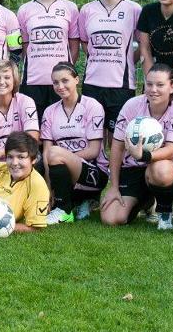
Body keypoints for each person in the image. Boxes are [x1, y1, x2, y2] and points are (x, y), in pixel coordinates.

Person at [100, 63, 173, 231]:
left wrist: (144, 156)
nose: (153, 89)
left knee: (160, 170)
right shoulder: (131, 105)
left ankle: (165, 212)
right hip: (132, 168)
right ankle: (147, 201)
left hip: (163, 166)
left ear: (172, 87)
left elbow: (172, 149)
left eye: (160, 85)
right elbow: (117, 147)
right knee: (111, 218)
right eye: (149, 84)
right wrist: (113, 187)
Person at [79, 0, 142, 143]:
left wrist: (128, 60)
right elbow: (85, 43)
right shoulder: (87, 10)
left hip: (121, 85)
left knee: (117, 138)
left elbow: (143, 44)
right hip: (92, 83)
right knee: (93, 137)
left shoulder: (134, 9)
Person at [41, 62, 108, 224]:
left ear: (77, 80)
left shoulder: (92, 106)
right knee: (49, 158)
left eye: (65, 80)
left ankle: (63, 210)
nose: (60, 86)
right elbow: (46, 153)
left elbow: (93, 150)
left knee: (55, 154)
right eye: (56, 82)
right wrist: (48, 187)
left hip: (95, 173)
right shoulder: (49, 111)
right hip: (62, 169)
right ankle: (79, 202)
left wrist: (65, 157)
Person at [17, 0, 79, 119]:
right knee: (32, 129)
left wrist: (64, 73)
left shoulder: (70, 8)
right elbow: (25, 46)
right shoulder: (24, 10)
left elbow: (74, 47)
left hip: (61, 83)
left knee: (60, 126)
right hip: (32, 82)